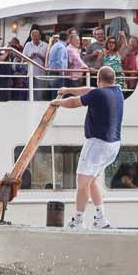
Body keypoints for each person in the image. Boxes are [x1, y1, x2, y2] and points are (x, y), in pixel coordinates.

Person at [55, 65, 124, 229]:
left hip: (97, 144)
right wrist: (68, 89)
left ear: (99, 80)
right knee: (92, 181)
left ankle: (78, 221)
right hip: (113, 145)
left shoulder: (98, 94)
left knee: (82, 182)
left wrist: (57, 102)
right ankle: (101, 218)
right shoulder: (117, 91)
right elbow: (89, 90)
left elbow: (74, 103)